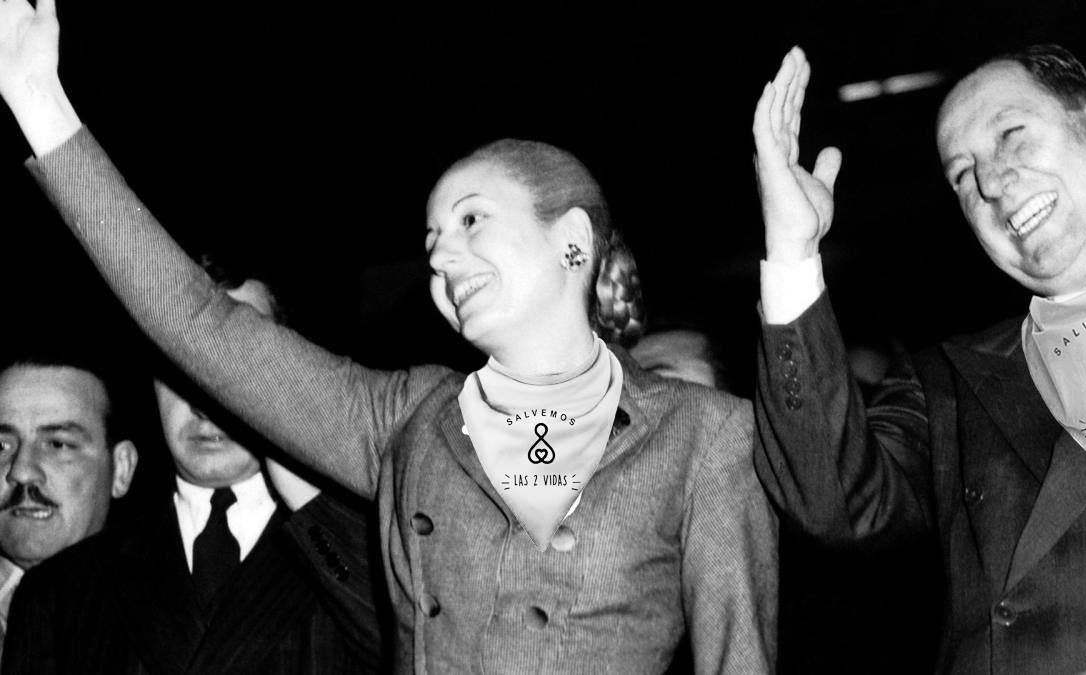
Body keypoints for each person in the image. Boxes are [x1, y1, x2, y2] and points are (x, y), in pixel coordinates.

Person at [0, 1, 778, 672]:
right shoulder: (410, 418)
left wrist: (797, 265)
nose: (441, 256)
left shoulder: (705, 436)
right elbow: (201, 323)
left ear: (571, 240)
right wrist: (40, 101)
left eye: (471, 219)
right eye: (432, 238)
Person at [752, 44, 1086, 674]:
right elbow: (830, 505)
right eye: (963, 174)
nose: (990, 184)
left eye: (1012, 135)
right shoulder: (947, 382)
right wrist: (792, 250)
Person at [2, 271, 383, 673]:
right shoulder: (59, 592)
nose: (205, 400)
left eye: (239, 357)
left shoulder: (360, 562)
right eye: (178, 358)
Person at [0, 351, 138, 660]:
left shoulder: (166, 621)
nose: (22, 471)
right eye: (1, 445)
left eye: (57, 444)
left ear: (122, 469)